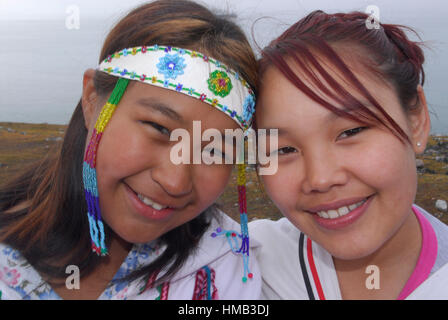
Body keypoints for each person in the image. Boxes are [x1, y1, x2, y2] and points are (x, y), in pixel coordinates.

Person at [0, 0, 260, 300]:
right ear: (91, 99)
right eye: (160, 128)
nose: (174, 182)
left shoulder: (225, 265)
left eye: (215, 151)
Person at [250, 10, 448, 300]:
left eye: (351, 131)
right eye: (284, 149)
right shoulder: (244, 266)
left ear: (416, 120)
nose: (320, 178)